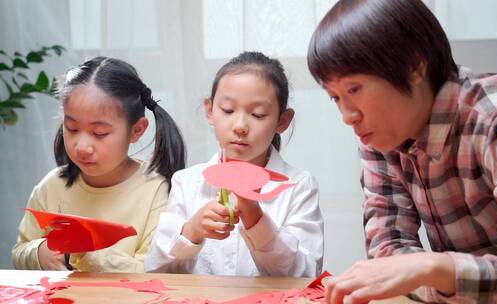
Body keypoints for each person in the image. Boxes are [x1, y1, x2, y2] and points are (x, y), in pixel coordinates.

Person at [307, 0, 497, 303]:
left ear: (414, 66)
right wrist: (429, 275)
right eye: (335, 97)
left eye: (354, 89)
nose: (347, 115)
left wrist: (434, 267)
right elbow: (388, 252)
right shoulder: (383, 135)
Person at [145, 51, 324, 277]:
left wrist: (255, 219)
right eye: (228, 110)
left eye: (258, 114)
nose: (240, 126)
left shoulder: (299, 186)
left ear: (282, 121)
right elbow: (155, 270)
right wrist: (191, 231)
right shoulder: (187, 182)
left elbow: (306, 276)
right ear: (210, 111)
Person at [12, 56, 186, 272]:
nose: (82, 146)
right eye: (72, 128)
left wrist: (87, 255)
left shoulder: (155, 190)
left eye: (99, 133)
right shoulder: (52, 185)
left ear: (136, 130)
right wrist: (39, 252)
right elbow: (19, 251)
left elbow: (152, 270)